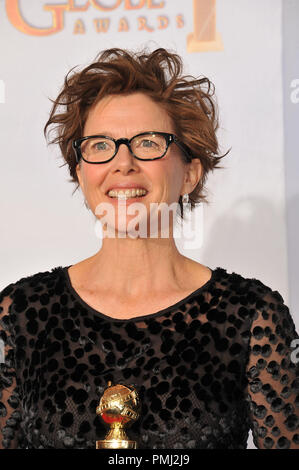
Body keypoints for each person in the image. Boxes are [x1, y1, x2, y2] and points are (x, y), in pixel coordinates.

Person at [0, 48, 298, 450]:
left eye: (147, 142)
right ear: (81, 173)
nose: (123, 163)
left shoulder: (250, 315)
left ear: (190, 173)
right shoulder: (21, 313)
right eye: (101, 145)